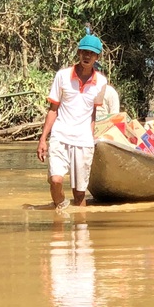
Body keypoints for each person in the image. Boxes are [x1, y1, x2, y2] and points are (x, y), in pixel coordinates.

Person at [36, 33, 107, 211]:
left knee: (80, 193)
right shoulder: (63, 76)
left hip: (83, 141)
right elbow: (53, 109)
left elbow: (92, 111)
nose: (87, 56)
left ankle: (80, 233)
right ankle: (60, 212)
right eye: (83, 52)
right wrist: (43, 139)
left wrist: (90, 137)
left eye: (91, 53)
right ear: (78, 53)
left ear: (97, 57)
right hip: (60, 136)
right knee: (56, 180)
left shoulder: (101, 82)